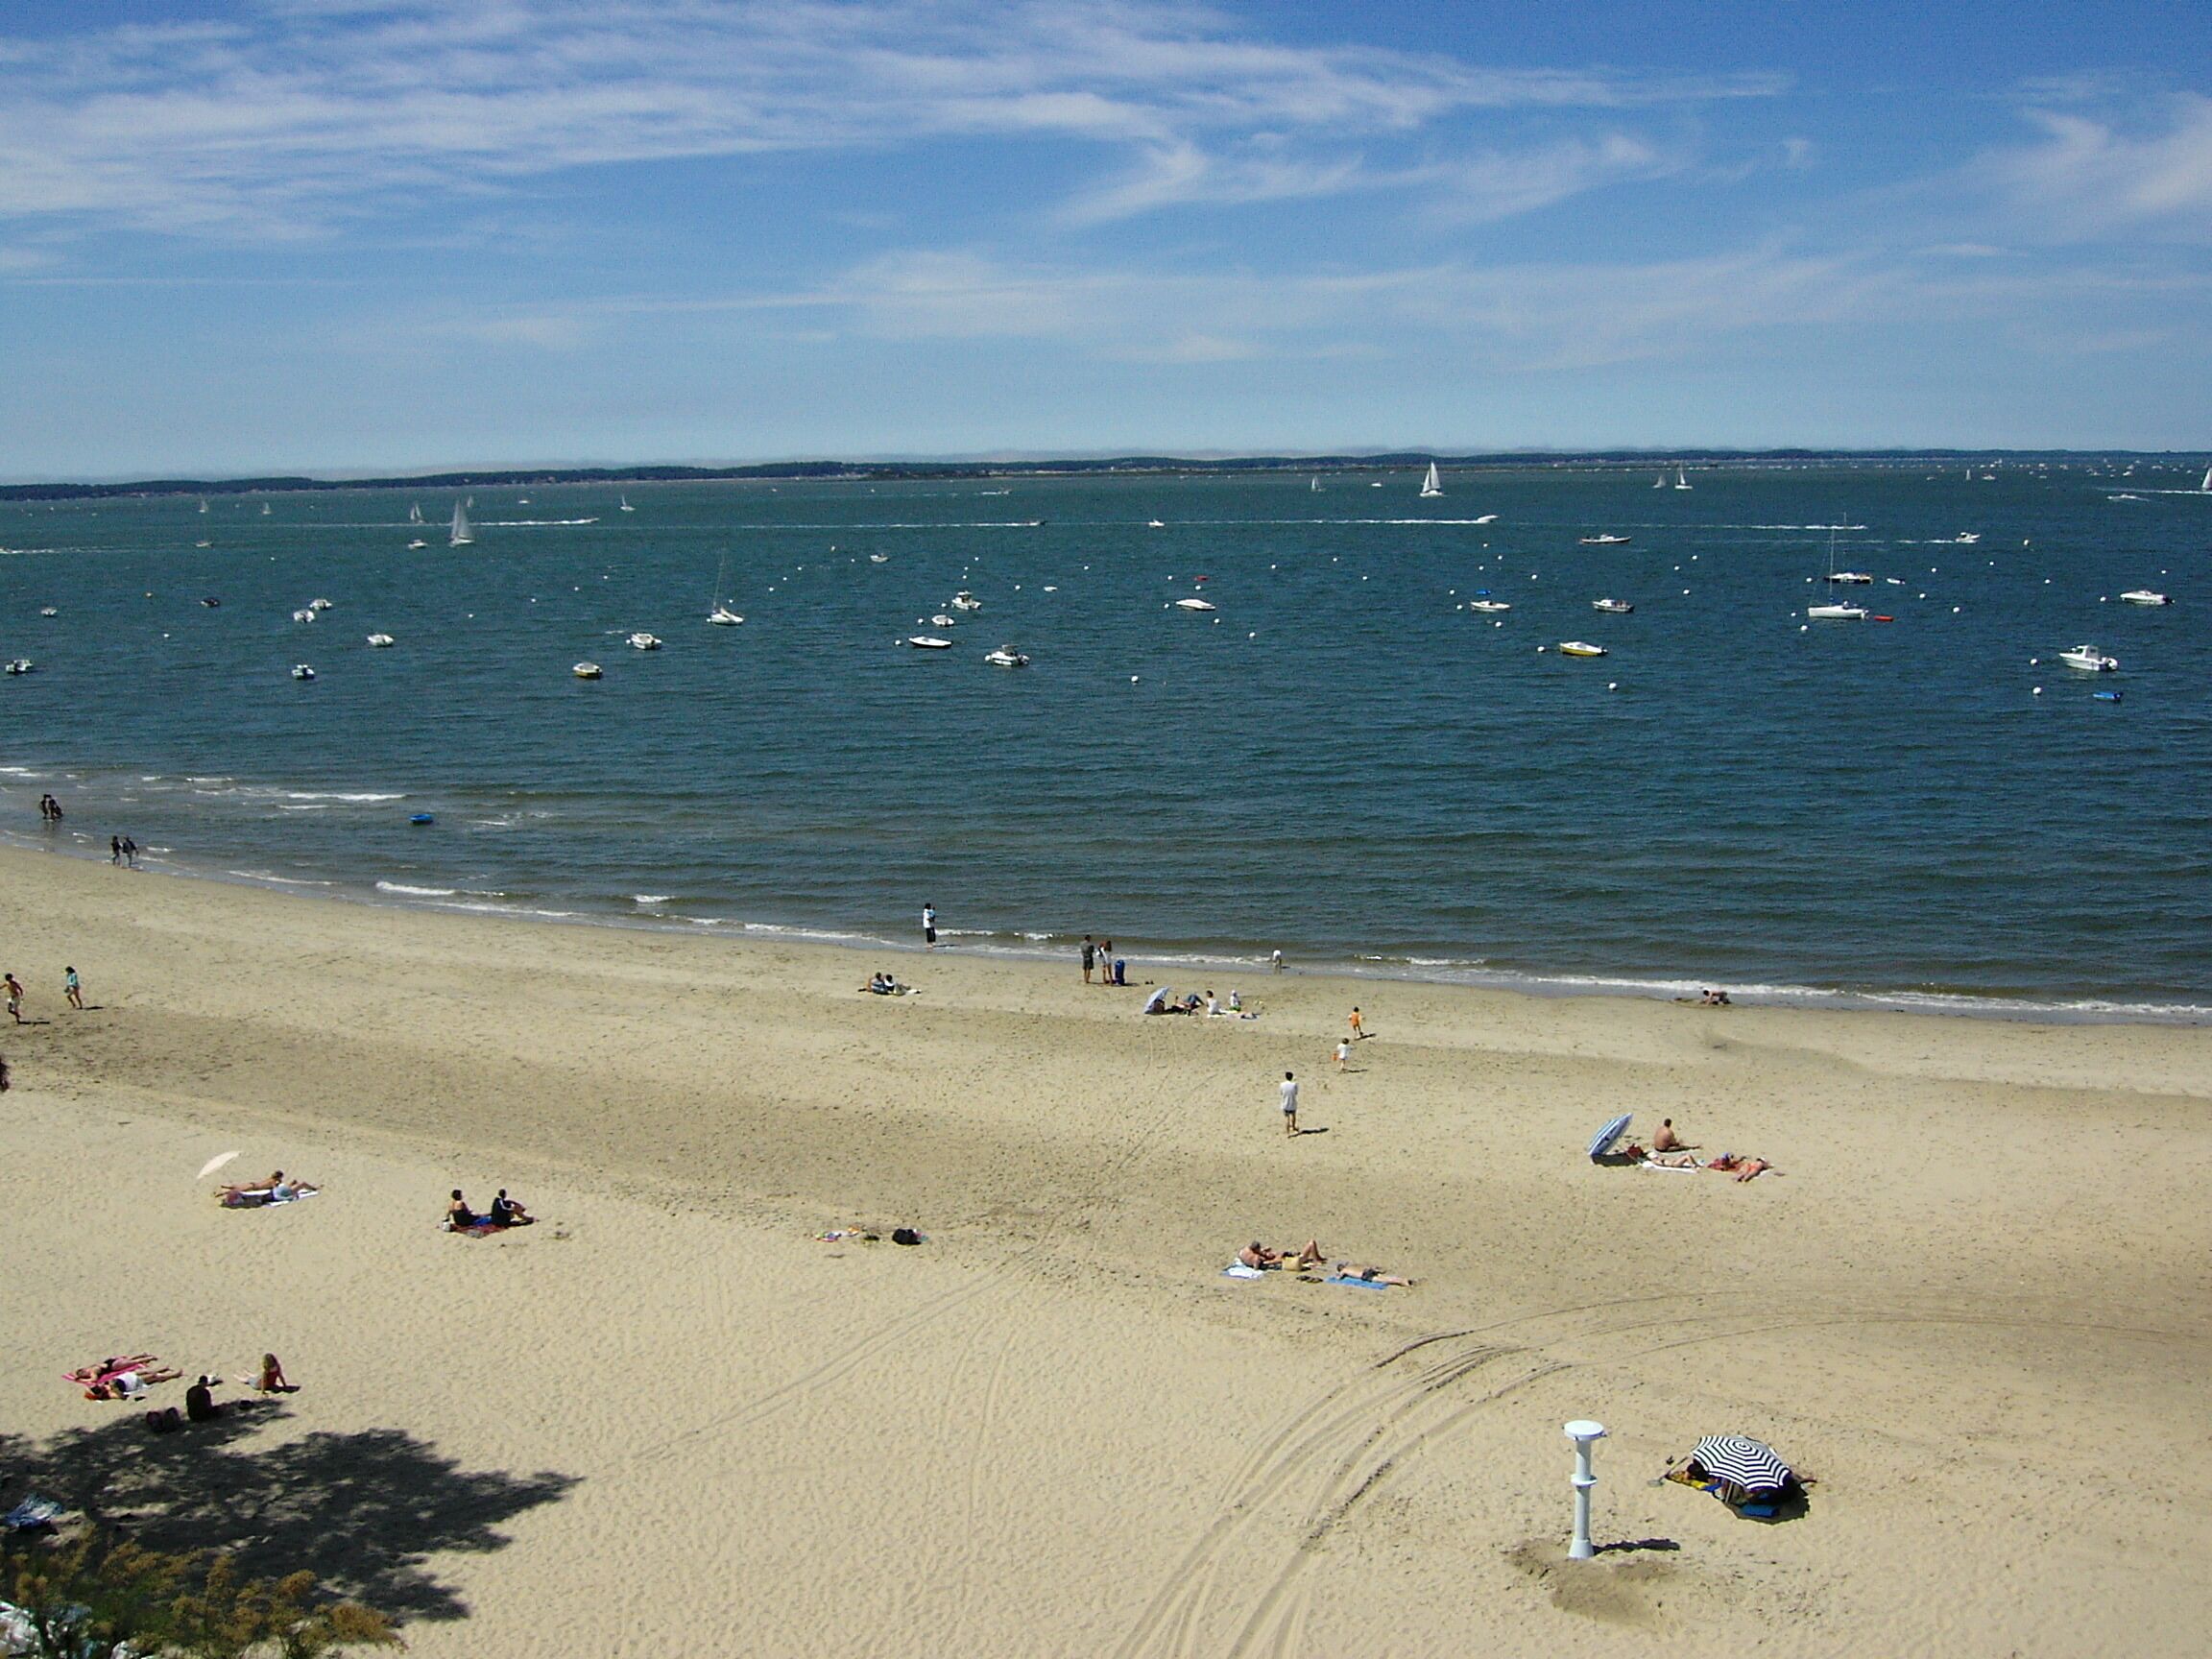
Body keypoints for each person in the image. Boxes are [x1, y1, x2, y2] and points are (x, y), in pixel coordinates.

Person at [1330, 1262, 1412, 1286]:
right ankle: (1400, 1279)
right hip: (1367, 1270)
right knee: (1384, 1277)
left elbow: (1339, 1278)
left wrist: (1337, 1275)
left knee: (1384, 1280)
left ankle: (1402, 1282)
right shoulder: (1351, 1266)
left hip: (1364, 1275)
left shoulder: (1344, 1270)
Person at [1280, 1070, 1299, 1136]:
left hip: (1285, 1104)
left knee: (1287, 1118)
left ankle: (1287, 1132)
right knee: (1293, 1116)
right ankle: (1293, 1127)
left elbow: (1281, 1093)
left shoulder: (1282, 1084)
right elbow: (1296, 1093)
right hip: (1292, 1103)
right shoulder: (1294, 1084)